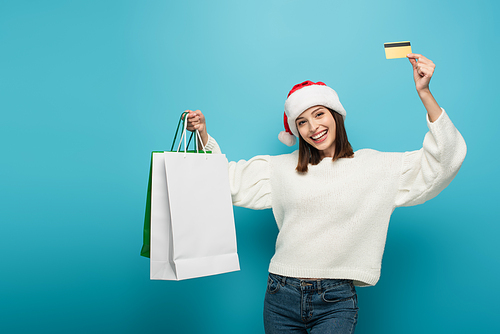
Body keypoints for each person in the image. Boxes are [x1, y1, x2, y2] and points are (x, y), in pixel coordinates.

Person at [184, 54, 466, 333]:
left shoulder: (375, 166)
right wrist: (204, 137)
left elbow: (443, 161)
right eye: (302, 121)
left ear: (335, 115)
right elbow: (225, 181)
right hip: (280, 293)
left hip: (336, 299)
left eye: (319, 114)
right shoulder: (282, 168)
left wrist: (425, 92)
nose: (313, 127)